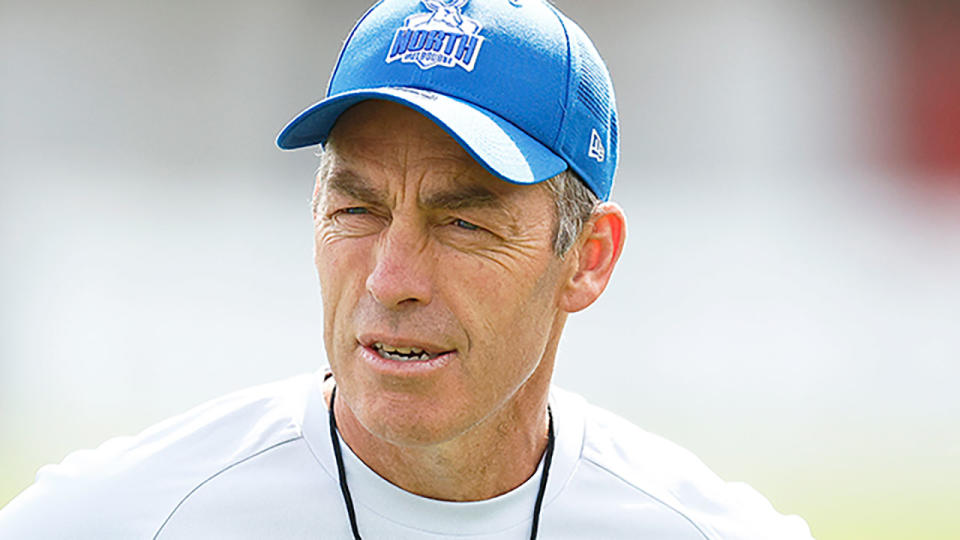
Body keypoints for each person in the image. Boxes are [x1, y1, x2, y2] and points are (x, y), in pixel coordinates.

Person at [0, 1, 814, 538]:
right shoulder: (111, 521)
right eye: (357, 210)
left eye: (462, 221)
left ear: (587, 259)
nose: (392, 279)